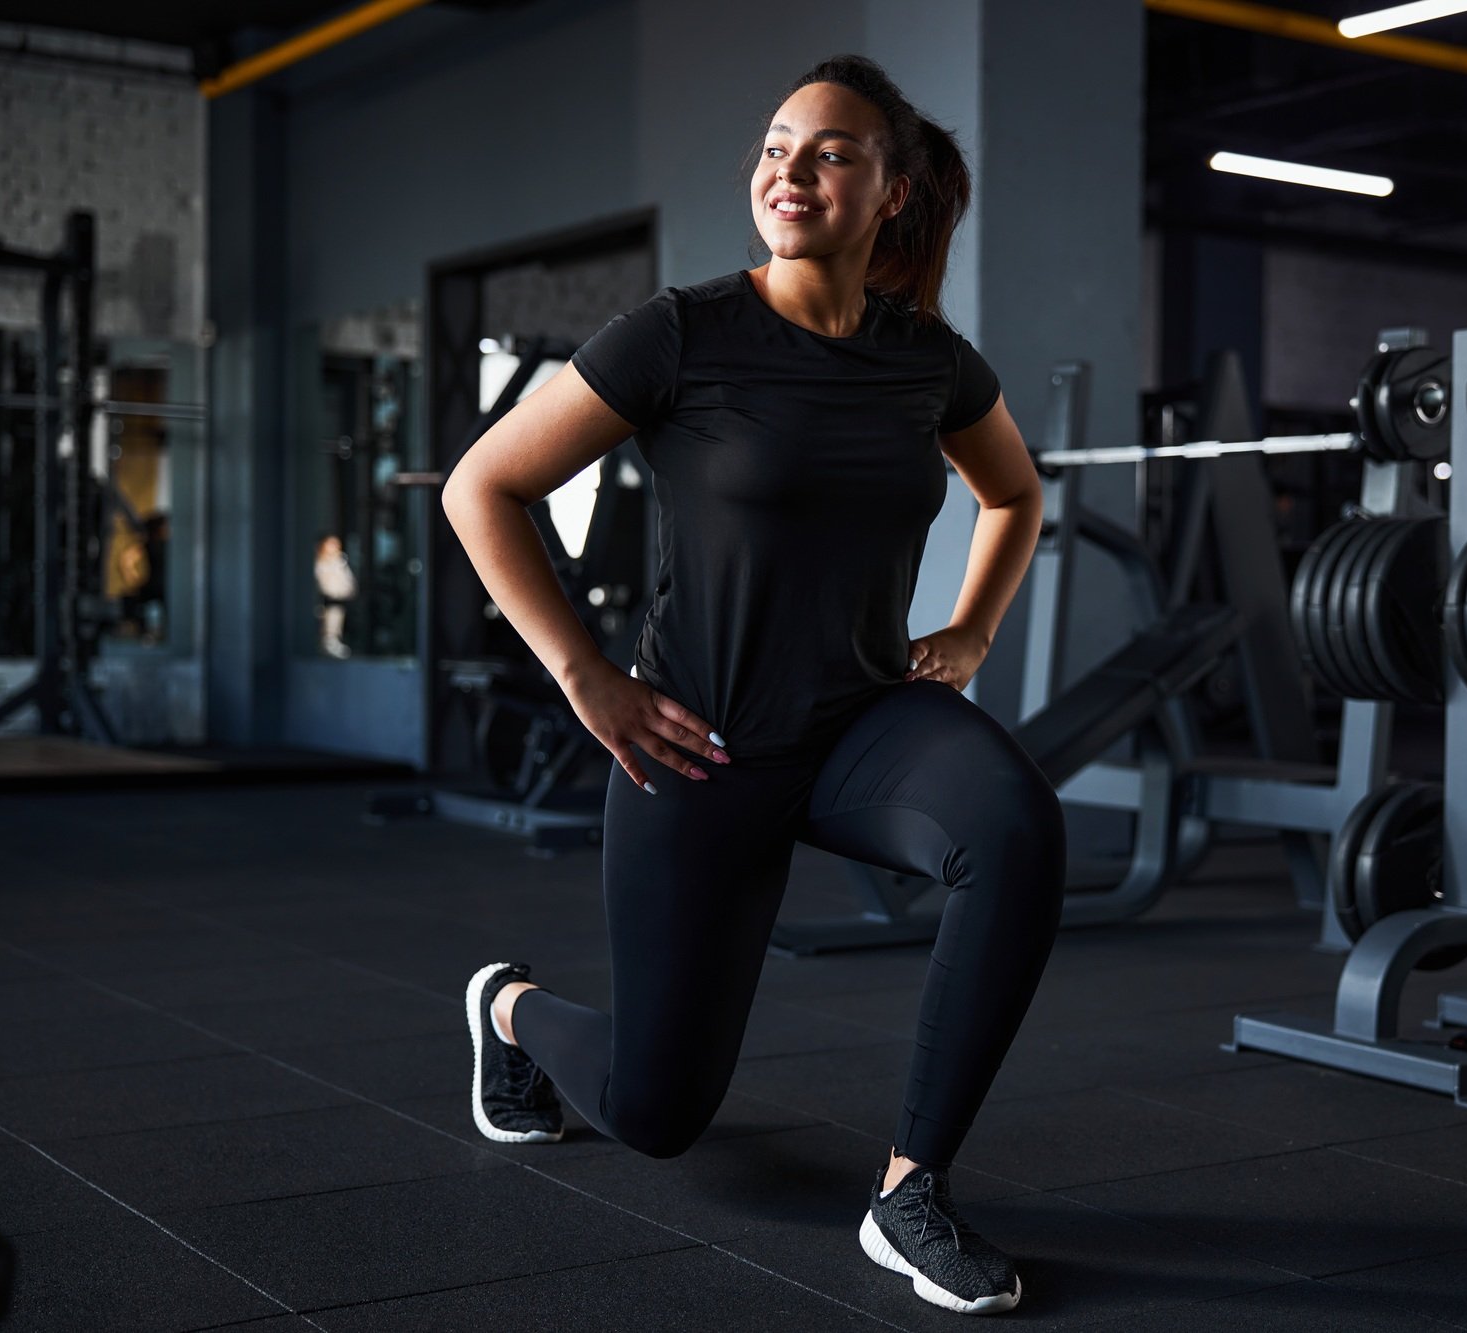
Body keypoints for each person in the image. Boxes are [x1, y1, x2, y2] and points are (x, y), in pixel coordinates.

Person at [441, 55, 1063, 1316]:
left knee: (1014, 830)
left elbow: (1014, 493)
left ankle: (909, 1192)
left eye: (830, 151)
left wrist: (970, 632)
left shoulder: (925, 359)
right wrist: (588, 679)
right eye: (777, 146)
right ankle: (507, 1013)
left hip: (863, 724)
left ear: (890, 191)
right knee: (653, 1112)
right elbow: (480, 488)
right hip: (698, 746)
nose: (790, 169)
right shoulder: (681, 333)